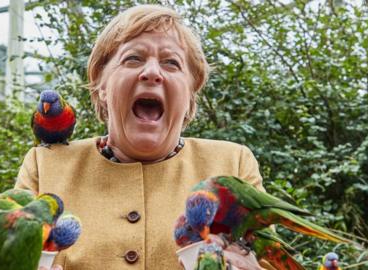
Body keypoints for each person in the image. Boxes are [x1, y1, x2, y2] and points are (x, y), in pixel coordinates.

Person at [17, 4, 266, 270]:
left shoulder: (233, 164)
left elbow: (270, 258)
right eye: (133, 59)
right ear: (102, 85)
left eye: (171, 63)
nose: (152, 72)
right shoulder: (45, 166)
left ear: (190, 93)